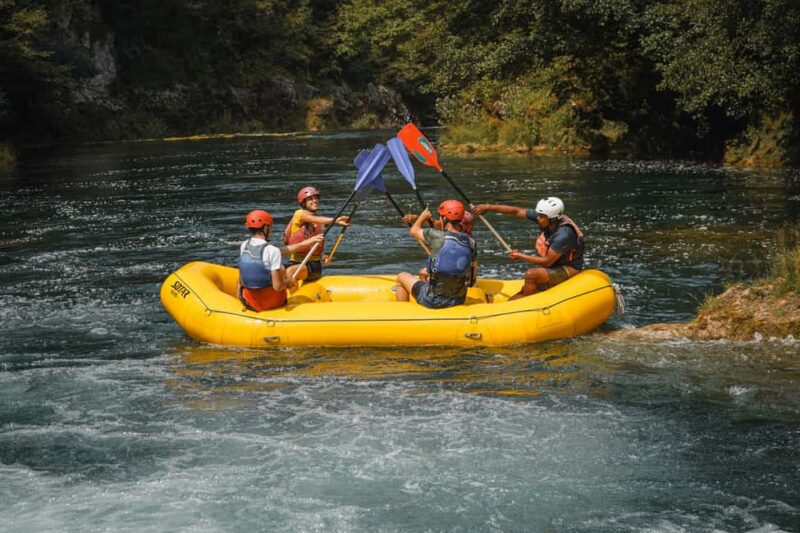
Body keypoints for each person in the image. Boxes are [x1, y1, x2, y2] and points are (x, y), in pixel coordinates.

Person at [472, 197, 584, 299]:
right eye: (538, 215)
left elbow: (547, 262)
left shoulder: (563, 235)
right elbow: (517, 211)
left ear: (553, 219)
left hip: (570, 268)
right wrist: (488, 207)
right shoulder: (547, 219)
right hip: (556, 263)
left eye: (541, 216)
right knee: (530, 283)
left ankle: (523, 300)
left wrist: (520, 256)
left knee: (532, 274)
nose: (538, 218)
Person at [395, 200, 478, 308]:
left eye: (440, 216)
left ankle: (404, 313)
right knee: (424, 273)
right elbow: (473, 271)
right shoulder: (471, 242)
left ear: (444, 218)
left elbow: (414, 230)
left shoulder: (436, 237)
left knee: (402, 276)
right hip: (459, 299)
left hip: (433, 301)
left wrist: (423, 216)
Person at [239, 209, 323, 312]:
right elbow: (278, 287)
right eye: (270, 227)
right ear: (265, 228)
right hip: (270, 303)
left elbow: (241, 279)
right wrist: (288, 282)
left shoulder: (244, 246)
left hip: (249, 302)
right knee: (282, 269)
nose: (272, 230)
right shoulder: (272, 251)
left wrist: (306, 243)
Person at [283, 186, 350, 282]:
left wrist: (323, 257)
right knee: (279, 270)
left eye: (316, 198)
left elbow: (317, 247)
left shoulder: (321, 223)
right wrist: (335, 220)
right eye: (310, 199)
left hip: (313, 265)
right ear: (303, 203)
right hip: (294, 261)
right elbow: (313, 219)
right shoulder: (299, 214)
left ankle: (292, 297)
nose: (315, 201)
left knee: (291, 271)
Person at [402, 210, 477, 283]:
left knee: (423, 272)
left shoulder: (443, 237)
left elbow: (414, 231)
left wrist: (421, 217)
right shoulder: (470, 241)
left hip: (450, 278)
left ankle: (427, 293)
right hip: (465, 276)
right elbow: (437, 224)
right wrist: (415, 218)